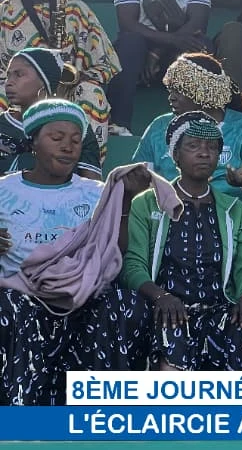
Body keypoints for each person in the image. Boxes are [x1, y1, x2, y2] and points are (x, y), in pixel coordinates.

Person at [0, 100, 150, 403]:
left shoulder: (96, 192)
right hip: (19, 292)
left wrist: (124, 202)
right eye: (57, 138)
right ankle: (20, 412)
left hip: (81, 294)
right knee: (9, 305)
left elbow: (114, 254)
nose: (68, 147)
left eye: (76, 140)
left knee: (124, 301)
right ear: (33, 142)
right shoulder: (5, 190)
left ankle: (99, 413)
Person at [123, 111, 242, 371]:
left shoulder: (236, 211)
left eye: (212, 147)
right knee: (170, 344)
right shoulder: (147, 204)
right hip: (166, 307)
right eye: (193, 146)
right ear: (175, 155)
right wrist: (160, 296)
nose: (204, 153)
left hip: (219, 309)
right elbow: (133, 263)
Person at [0, 0, 119, 155]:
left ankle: (88, 170)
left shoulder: (76, 9)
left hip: (68, 92)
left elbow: (105, 63)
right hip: (16, 91)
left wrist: (80, 78)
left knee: (93, 95)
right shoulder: (4, 12)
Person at [133, 53, 242, 212]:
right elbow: (136, 181)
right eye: (170, 90)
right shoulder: (159, 127)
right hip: (170, 217)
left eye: (179, 90)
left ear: (205, 91)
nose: (171, 98)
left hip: (232, 220)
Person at [108, 0, 211, 136]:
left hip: (174, 48)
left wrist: (157, 52)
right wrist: (166, 42)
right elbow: (127, 22)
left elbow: (197, 21)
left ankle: (198, 125)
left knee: (201, 47)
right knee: (129, 43)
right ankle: (119, 123)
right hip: (141, 47)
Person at [0, 49, 101, 178]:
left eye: (19, 75)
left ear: (44, 82)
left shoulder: (77, 128)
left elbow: (92, 187)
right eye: (8, 75)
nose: (9, 82)